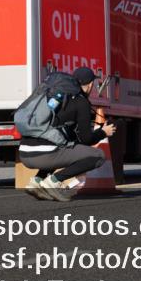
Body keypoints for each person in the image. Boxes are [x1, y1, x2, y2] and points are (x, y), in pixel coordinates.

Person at [21, 67, 117, 202]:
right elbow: (87, 139)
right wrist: (103, 132)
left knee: (62, 145)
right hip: (44, 155)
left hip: (25, 154)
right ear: (90, 84)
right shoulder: (80, 101)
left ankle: (37, 181)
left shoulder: (57, 97)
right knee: (98, 156)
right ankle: (54, 181)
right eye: (93, 84)